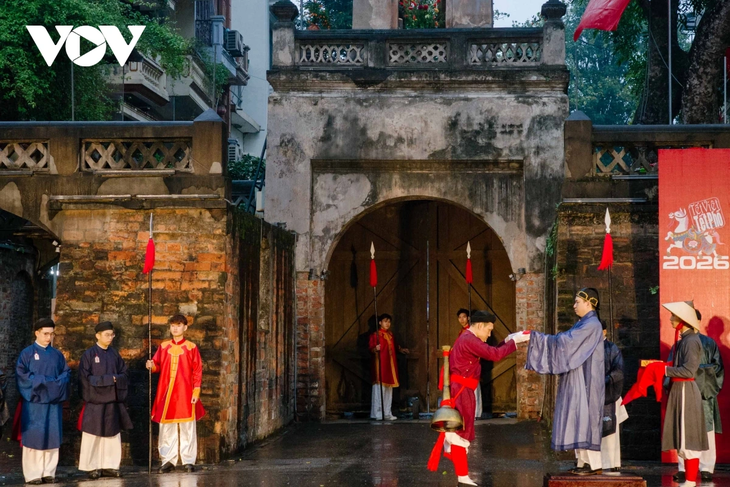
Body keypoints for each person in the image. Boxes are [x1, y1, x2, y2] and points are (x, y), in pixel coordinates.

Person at [428, 310, 529, 486]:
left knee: (459, 432)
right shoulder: (469, 339)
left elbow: (491, 350)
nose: (489, 335)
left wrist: (508, 340)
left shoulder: (469, 338)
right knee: (459, 432)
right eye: (488, 330)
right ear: (480, 326)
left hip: (463, 389)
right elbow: (494, 355)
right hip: (461, 391)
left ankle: (462, 476)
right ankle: (462, 477)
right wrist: (514, 342)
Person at [525, 288, 605, 475]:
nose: (574, 305)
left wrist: (536, 337)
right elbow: (566, 342)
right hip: (578, 376)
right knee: (579, 418)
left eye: (578, 302)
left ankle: (594, 465)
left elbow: (567, 342)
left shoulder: (592, 324)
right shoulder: (583, 323)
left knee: (587, 418)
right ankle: (582, 462)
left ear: (589, 303)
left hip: (587, 379)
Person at [146, 314, 205, 473]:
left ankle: (188, 460)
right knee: (167, 427)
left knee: (187, 427)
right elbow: (158, 365)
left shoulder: (191, 347)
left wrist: (196, 390)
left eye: (179, 325)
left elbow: (197, 370)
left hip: (185, 392)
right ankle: (168, 460)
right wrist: (151, 365)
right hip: (166, 392)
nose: (175, 328)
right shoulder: (164, 347)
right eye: (173, 325)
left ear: (185, 327)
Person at [671, 309, 723, 484]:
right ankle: (683, 467)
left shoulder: (709, 343)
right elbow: (674, 364)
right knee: (684, 428)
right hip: (687, 388)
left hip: (704, 391)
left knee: (705, 429)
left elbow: (717, 368)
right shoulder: (680, 343)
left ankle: (706, 466)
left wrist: (700, 380)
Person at [16, 318, 70, 485]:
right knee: (35, 437)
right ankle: (33, 474)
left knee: (52, 436)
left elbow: (65, 374)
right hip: (34, 403)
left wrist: (52, 385)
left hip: (53, 403)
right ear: (37, 333)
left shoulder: (57, 355)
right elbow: (22, 376)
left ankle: (48, 472)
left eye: (51, 334)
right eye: (45, 334)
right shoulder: (27, 354)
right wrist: (46, 382)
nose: (49, 337)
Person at [661, 301, 709, 487]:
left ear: (683, 319)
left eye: (674, 316)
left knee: (688, 437)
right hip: (680, 390)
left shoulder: (690, 341)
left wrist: (664, 370)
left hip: (685, 390)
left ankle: (690, 481)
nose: (671, 319)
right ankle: (689, 481)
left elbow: (689, 370)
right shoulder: (685, 340)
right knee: (683, 437)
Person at [78, 321, 133, 479]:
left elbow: (124, 374)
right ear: (98, 335)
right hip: (95, 401)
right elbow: (84, 379)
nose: (110, 338)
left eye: (112, 335)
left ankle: (110, 465)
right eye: (107, 335)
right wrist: (109, 380)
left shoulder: (114, 354)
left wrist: (113, 380)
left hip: (111, 401)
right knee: (92, 434)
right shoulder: (89, 355)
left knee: (112, 433)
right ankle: (91, 466)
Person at [599, 321, 627, 474]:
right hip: (593, 393)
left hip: (609, 391)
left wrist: (606, 379)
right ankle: (595, 462)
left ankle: (612, 461)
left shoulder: (612, 348)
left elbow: (619, 370)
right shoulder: (587, 348)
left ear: (604, 332)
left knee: (611, 431)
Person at [369, 313, 409, 420]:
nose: (387, 324)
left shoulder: (390, 335)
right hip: (381, 364)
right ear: (380, 322)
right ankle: (377, 413)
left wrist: (401, 349)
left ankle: (387, 412)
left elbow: (394, 346)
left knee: (389, 390)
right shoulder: (375, 335)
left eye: (389, 322)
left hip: (390, 365)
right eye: (385, 321)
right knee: (379, 390)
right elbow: (371, 347)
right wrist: (375, 349)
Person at [456, 309, 482, 420]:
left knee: (473, 386)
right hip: (463, 363)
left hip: (471, 362)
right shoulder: (462, 332)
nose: (462, 319)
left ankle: (476, 413)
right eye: (460, 317)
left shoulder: (471, 331)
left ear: (468, 318)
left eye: (464, 317)